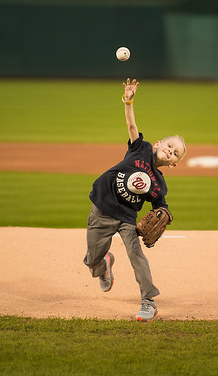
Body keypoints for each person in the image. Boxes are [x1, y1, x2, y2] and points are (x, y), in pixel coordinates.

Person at [83, 78, 187, 322]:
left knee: (136, 255)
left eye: (176, 154)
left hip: (126, 218)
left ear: (173, 164)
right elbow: (131, 125)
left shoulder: (159, 185)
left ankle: (148, 302)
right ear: (159, 143)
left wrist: (164, 214)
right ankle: (105, 264)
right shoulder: (141, 148)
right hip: (102, 206)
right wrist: (128, 100)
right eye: (170, 145)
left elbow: (161, 207)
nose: (171, 151)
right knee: (93, 261)